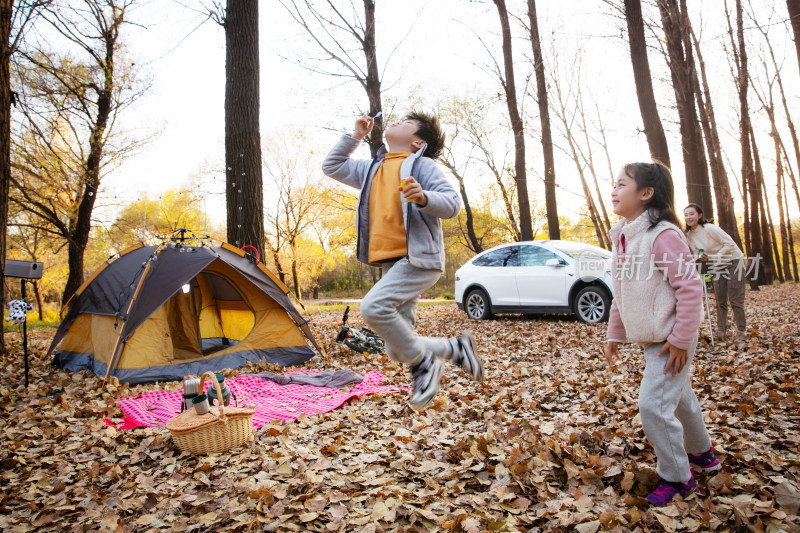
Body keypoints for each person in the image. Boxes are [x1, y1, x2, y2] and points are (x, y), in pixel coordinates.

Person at [321, 111, 483, 408]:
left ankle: (425, 363)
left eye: (406, 123)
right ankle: (455, 349)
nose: (396, 122)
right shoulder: (371, 169)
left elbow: (452, 204)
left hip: (417, 258)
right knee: (396, 348)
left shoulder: (423, 166)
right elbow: (332, 166)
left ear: (417, 142)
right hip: (390, 263)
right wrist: (355, 136)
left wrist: (423, 197)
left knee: (372, 308)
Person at [605, 162, 721, 507]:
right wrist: (615, 333)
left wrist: (682, 339)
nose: (614, 190)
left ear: (646, 193)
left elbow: (689, 288)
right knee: (681, 399)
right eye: (614, 184)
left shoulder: (663, 235)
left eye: (621, 184)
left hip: (671, 339)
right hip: (653, 339)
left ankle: (678, 479)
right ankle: (702, 454)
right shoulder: (625, 236)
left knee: (654, 407)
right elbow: (621, 291)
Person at [683, 203, 747, 341]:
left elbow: (730, 244)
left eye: (691, 214)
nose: (688, 217)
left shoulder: (710, 229)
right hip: (716, 265)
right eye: (686, 215)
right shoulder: (689, 235)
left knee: (735, 299)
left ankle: (741, 331)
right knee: (720, 299)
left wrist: (713, 257)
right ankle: (721, 330)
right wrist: (698, 259)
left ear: (699, 215)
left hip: (733, 261)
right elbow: (696, 252)